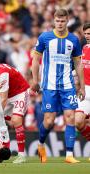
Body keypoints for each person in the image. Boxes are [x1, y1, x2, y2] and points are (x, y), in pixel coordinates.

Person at [31, 9, 85, 163]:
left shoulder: (74, 40)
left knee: (71, 118)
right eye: (58, 21)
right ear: (54, 21)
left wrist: (81, 86)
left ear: (67, 21)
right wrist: (35, 80)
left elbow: (78, 63)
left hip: (68, 85)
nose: (60, 24)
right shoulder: (45, 37)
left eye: (63, 21)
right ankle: (41, 144)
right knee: (49, 121)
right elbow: (36, 60)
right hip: (49, 85)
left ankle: (69, 155)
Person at [75, 23, 90, 158]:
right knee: (79, 122)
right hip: (85, 91)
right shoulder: (84, 48)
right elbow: (82, 67)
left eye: (89, 34)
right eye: (85, 34)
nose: (87, 36)